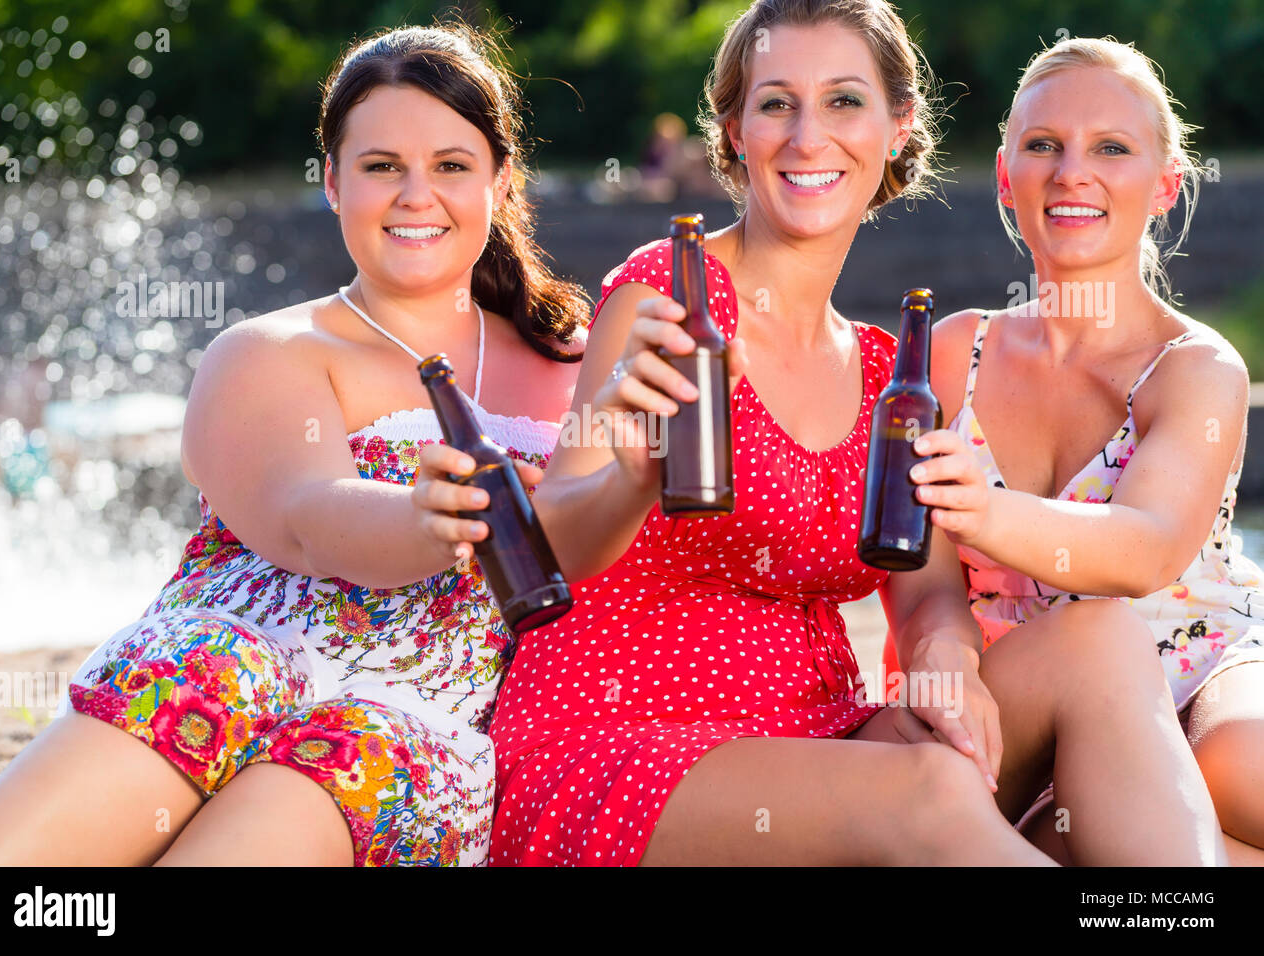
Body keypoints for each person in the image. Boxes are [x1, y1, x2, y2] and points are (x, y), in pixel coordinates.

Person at [486, 0, 1225, 866]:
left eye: (843, 101)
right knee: (935, 792)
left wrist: (949, 670)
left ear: (897, 128)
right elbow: (557, 544)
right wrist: (638, 470)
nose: (808, 137)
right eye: (774, 104)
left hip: (823, 736)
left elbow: (929, 597)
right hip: (624, 742)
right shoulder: (669, 297)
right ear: (734, 132)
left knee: (1098, 643)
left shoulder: (887, 372)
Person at [0, 23, 586, 867]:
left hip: (415, 727)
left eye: (450, 165)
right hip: (234, 667)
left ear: (501, 180)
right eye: (380, 167)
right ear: (332, 182)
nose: (416, 195)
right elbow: (307, 515)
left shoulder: (576, 362)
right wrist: (422, 516)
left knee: (354, 758)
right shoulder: (270, 353)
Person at [898, 35, 1264, 865]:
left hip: (1204, 659)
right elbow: (917, 581)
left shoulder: (1196, 369)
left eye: (1111, 148)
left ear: (1165, 184)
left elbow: (1143, 548)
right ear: (1004, 175)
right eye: (1043, 146)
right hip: (1034, 697)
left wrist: (987, 511)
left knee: (1239, 767)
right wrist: (945, 655)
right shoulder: (951, 354)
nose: (1073, 173)